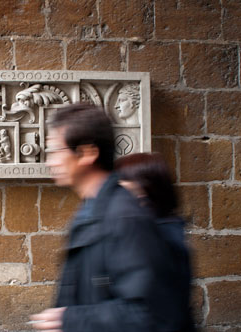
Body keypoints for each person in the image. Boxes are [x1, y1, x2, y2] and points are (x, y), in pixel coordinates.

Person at [31, 104, 185, 331]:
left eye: (55, 151)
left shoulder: (124, 217)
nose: (49, 162)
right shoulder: (92, 211)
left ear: (87, 153)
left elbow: (151, 313)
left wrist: (70, 320)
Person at [115, 152, 195, 332]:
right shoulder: (158, 230)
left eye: (124, 193)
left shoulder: (162, 239)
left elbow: (152, 313)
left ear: (147, 193)